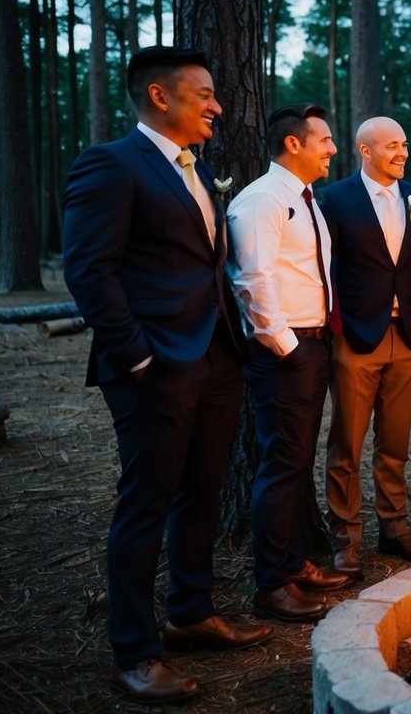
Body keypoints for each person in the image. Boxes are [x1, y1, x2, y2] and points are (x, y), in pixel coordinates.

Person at [62, 45, 271, 703]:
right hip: (152, 366)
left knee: (203, 491)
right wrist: (138, 355)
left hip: (214, 358)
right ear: (160, 96)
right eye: (205, 93)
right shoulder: (111, 164)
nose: (217, 105)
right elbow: (89, 269)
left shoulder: (196, 170)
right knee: (147, 501)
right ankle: (134, 649)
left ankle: (190, 610)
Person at [228, 103, 351, 624]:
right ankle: (271, 584)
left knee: (295, 461)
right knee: (280, 466)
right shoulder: (260, 200)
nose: (332, 148)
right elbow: (251, 279)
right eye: (324, 139)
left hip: (314, 344)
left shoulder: (307, 200)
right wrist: (288, 347)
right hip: (287, 353)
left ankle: (296, 560)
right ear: (294, 144)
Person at [320, 117, 411, 573]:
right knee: (346, 445)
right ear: (364, 150)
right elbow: (324, 268)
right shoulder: (333, 199)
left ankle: (394, 529)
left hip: (410, 338)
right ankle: (345, 537)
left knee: (395, 441)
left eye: (405, 144)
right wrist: (337, 328)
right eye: (393, 145)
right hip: (356, 338)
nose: (403, 153)